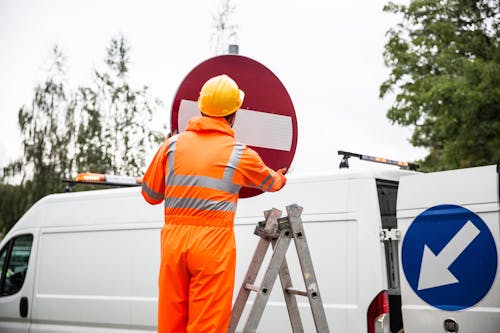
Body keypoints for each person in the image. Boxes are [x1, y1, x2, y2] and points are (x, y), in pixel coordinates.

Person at [141, 74, 287, 333]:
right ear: (233, 115)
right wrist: (280, 176)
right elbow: (270, 183)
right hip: (213, 245)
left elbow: (150, 195)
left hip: (174, 243)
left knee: (171, 322)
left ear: (201, 108)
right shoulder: (239, 153)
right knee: (207, 325)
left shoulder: (171, 146)